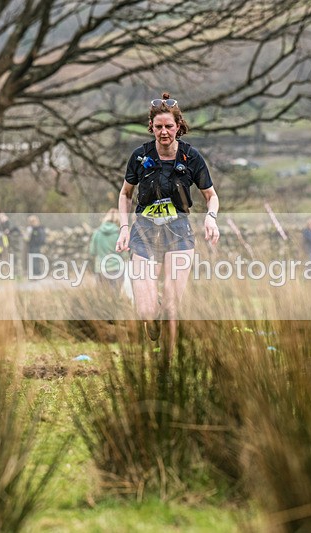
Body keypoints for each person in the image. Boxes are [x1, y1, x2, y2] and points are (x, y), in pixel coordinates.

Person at [115, 93, 220, 350]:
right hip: (144, 232)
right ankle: (152, 322)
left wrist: (212, 218)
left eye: (169, 126)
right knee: (146, 310)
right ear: (152, 127)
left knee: (172, 306)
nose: (164, 132)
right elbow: (125, 194)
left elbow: (211, 196)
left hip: (179, 232)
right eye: (159, 127)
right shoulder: (140, 156)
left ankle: (169, 364)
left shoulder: (191, 158)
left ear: (178, 126)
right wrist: (124, 228)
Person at [89, 208, 128, 292]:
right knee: (115, 297)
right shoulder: (119, 234)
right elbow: (125, 255)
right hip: (117, 269)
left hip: (100, 269)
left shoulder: (97, 233)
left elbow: (92, 251)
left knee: (103, 297)